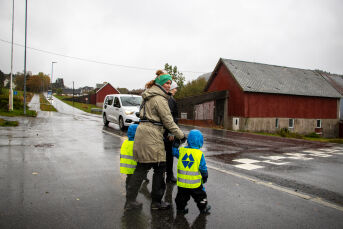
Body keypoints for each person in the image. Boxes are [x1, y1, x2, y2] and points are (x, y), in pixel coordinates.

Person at [125, 70, 186, 211]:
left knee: (140, 168)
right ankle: (156, 202)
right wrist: (181, 136)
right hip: (153, 135)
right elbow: (169, 121)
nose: (168, 85)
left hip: (142, 133)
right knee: (160, 167)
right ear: (159, 83)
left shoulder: (147, 97)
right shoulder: (160, 99)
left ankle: (130, 200)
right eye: (166, 82)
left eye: (170, 83)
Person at [172, 129, 211, 215]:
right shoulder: (199, 154)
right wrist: (205, 175)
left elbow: (174, 153)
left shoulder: (182, 151)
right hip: (195, 184)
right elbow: (203, 168)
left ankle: (180, 209)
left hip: (182, 183)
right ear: (200, 141)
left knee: (181, 198)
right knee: (201, 197)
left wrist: (175, 145)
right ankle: (203, 208)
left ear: (188, 140)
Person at [164, 81, 179, 183]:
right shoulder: (170, 100)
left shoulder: (166, 99)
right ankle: (169, 176)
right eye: (175, 88)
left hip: (162, 132)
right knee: (169, 155)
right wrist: (171, 133)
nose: (176, 90)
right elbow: (171, 119)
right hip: (167, 133)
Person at [120, 124, 138, 191]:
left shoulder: (125, 142)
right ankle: (131, 197)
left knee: (129, 179)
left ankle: (128, 190)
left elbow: (121, 155)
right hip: (134, 167)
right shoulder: (136, 144)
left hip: (126, 167)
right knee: (134, 182)